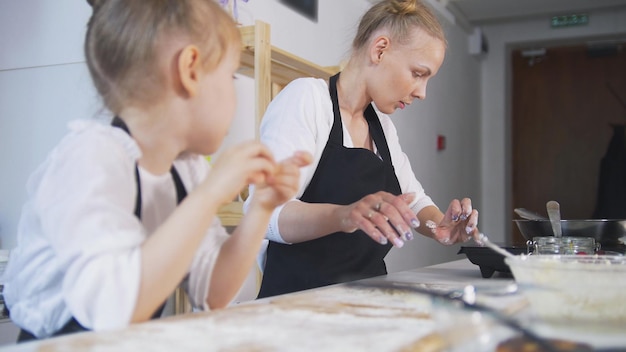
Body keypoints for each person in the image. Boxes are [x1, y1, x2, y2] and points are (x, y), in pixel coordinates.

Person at [2, 0, 311, 341]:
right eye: (230, 75)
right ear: (190, 70)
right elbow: (112, 309)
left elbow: (213, 293)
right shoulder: (91, 158)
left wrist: (261, 209)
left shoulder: (185, 169)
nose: (234, 93)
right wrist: (210, 196)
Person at [246, 0, 479, 299]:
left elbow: (415, 200)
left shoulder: (382, 127)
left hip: (366, 299)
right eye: (418, 73)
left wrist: (439, 226)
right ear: (380, 49)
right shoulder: (307, 99)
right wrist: (345, 215)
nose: (422, 92)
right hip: (298, 303)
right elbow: (265, 214)